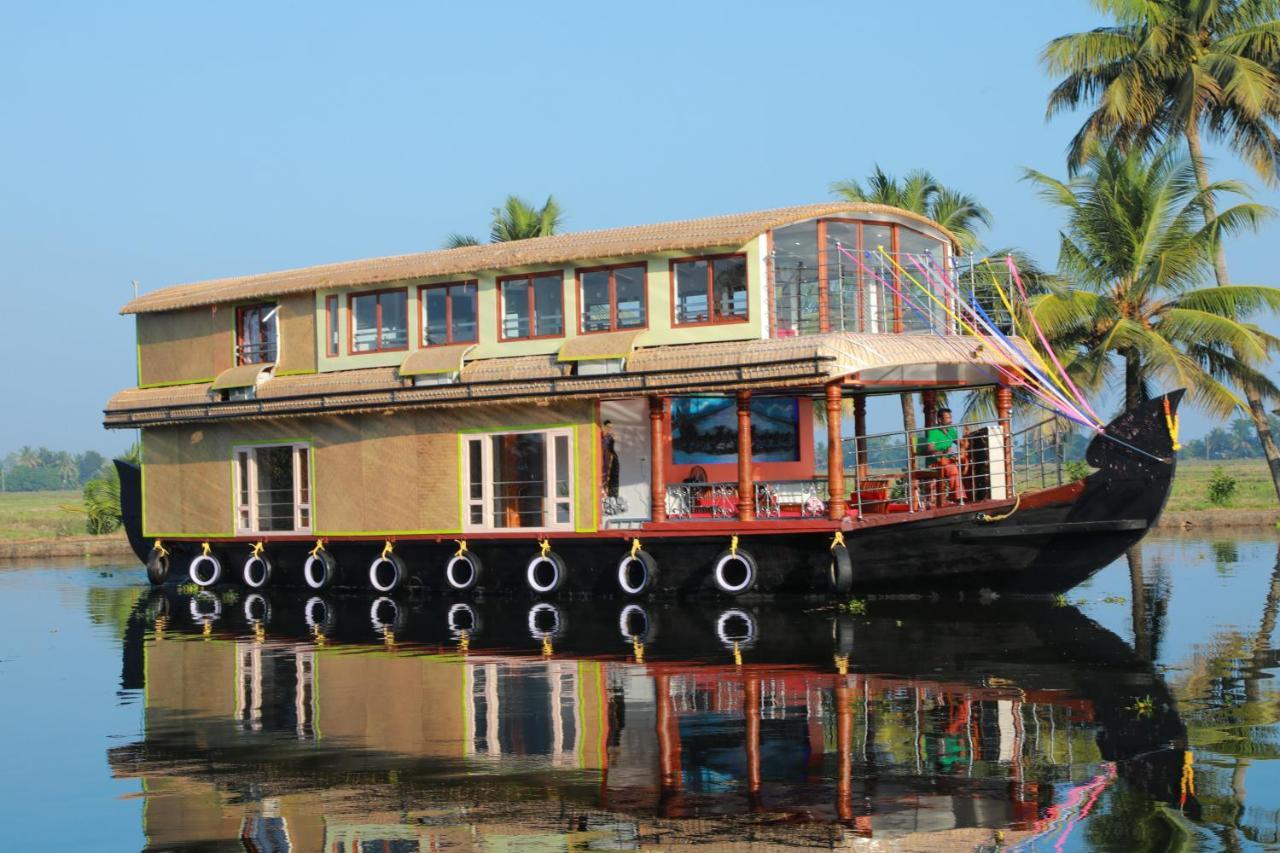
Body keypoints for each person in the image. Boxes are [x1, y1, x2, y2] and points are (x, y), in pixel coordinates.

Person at [920, 407, 965, 505]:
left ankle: (956, 497)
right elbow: (930, 449)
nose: (950, 420)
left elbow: (961, 443)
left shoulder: (951, 431)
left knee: (964, 464)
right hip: (935, 462)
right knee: (952, 468)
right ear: (940, 420)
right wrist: (944, 451)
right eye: (948, 418)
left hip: (947, 461)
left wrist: (962, 449)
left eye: (950, 418)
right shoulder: (933, 431)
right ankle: (958, 498)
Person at [601, 420, 620, 501]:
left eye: (611, 427)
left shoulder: (610, 436)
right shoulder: (600, 436)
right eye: (608, 427)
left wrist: (612, 435)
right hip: (603, 457)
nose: (609, 429)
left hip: (611, 457)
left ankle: (613, 496)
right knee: (604, 475)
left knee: (613, 475)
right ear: (603, 426)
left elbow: (617, 437)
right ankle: (604, 495)